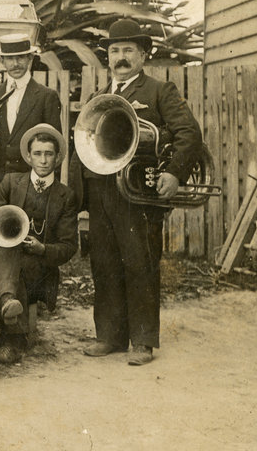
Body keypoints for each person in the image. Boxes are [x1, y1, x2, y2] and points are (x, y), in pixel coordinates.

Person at [79, 19, 202, 366]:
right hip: (103, 192)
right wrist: (84, 201)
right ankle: (109, 336)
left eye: (128, 51)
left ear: (143, 54)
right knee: (103, 263)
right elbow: (86, 143)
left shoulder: (159, 91)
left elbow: (189, 134)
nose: (120, 57)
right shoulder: (98, 97)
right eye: (115, 50)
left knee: (139, 263)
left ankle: (143, 341)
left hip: (140, 194)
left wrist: (175, 174)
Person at [0, 125, 78, 364]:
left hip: (40, 267)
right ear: (28, 156)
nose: (43, 160)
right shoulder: (11, 182)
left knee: (22, 263)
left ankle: (9, 327)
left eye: (48, 154)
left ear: (57, 158)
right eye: (37, 153)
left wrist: (43, 249)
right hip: (3, 258)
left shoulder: (66, 195)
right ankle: (11, 327)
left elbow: (68, 246)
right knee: (8, 252)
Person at [0, 33, 62, 202]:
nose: (15, 64)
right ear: (1, 61)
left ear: (30, 58)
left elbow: (55, 146)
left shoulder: (46, 96)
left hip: (32, 185)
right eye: (10, 59)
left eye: (21, 58)